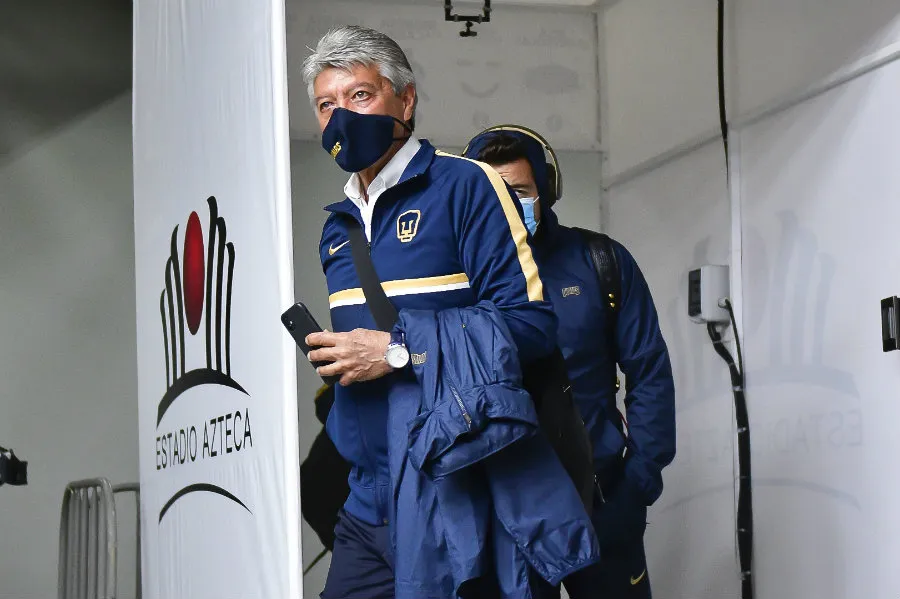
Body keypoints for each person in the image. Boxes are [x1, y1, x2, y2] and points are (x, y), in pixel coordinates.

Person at [299, 27, 574, 599]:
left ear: (406, 99)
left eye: (360, 96)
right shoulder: (336, 225)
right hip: (366, 499)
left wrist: (397, 350)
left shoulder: (467, 186)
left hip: (450, 486)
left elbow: (531, 326)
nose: (341, 117)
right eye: (327, 105)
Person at [464, 126, 676, 599]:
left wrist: (638, 481)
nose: (505, 205)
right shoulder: (459, 279)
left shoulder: (601, 261)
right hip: (504, 511)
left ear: (546, 191)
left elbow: (649, 372)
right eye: (492, 193)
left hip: (602, 499)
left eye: (517, 191)